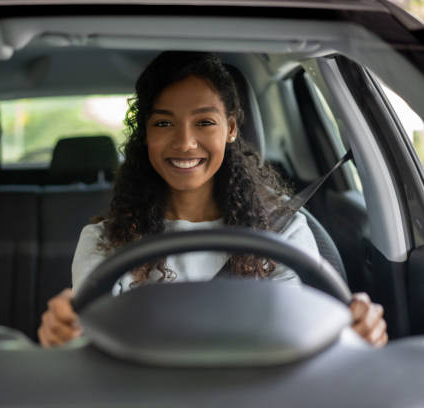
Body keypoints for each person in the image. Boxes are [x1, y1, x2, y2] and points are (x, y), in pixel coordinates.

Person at [38, 51, 388, 348]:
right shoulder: (104, 242)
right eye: (163, 124)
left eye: (204, 122)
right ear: (145, 133)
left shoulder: (284, 232)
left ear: (231, 129)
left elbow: (310, 336)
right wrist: (66, 334)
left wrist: (353, 332)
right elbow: (89, 345)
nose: (185, 142)